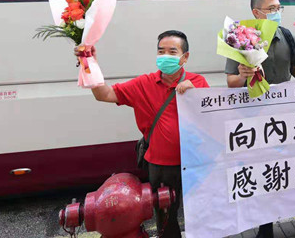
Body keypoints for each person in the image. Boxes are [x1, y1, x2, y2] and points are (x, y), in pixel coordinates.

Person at [74, 30, 209, 238]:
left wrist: (197, 94)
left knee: (202, 211)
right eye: (161, 51)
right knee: (166, 217)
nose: (165, 56)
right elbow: (104, 94)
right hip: (161, 166)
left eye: (172, 52)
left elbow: (211, 119)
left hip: (195, 162)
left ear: (185, 57)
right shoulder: (143, 84)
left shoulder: (198, 82)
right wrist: (89, 64)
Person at [226, 0, 295, 238]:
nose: (277, 13)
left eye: (279, 8)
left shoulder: (287, 35)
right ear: (256, 12)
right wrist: (243, 76)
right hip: (256, 117)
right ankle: (265, 229)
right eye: (271, 9)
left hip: (287, 114)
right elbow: (231, 82)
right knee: (265, 173)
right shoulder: (239, 37)